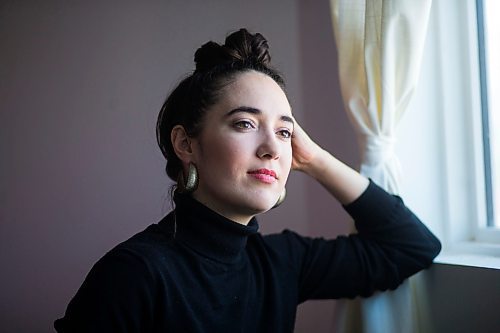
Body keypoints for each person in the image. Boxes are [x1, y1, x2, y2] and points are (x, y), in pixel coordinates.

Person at [54, 28, 441, 332]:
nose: (272, 148)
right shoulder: (133, 274)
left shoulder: (282, 263)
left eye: (285, 133)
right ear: (185, 143)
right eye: (245, 124)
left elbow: (411, 246)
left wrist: (317, 160)